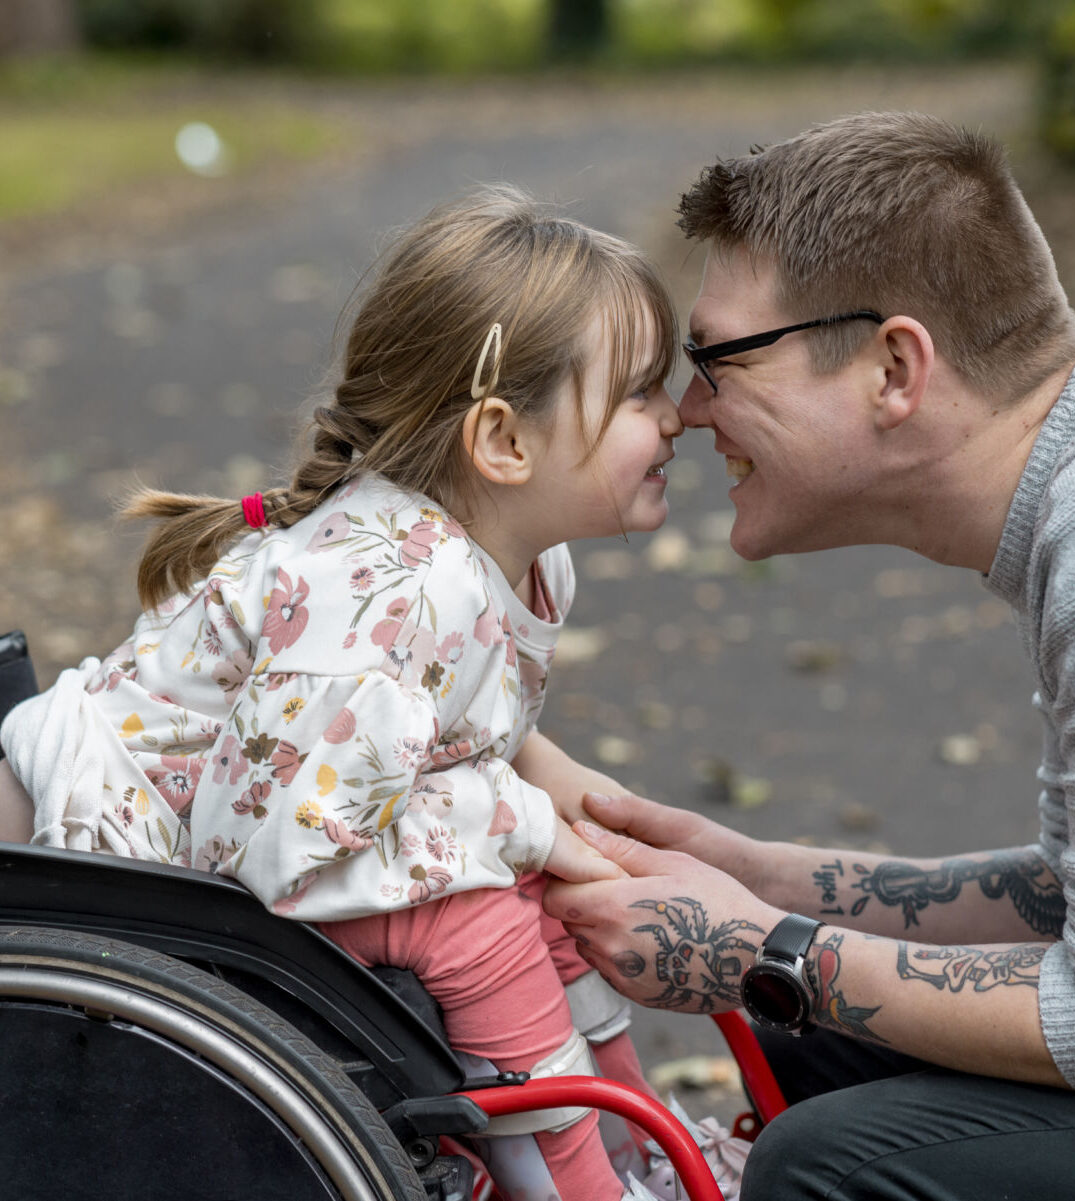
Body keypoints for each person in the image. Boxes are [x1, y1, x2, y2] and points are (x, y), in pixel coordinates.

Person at [0, 187, 747, 1201]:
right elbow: (272, 851)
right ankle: (579, 1182)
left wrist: (556, 797)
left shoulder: (527, 560)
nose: (677, 417)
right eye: (636, 395)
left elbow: (446, 728)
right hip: (124, 851)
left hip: (266, 821)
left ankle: (632, 1148)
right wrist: (514, 819)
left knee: (555, 883)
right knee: (481, 910)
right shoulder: (393, 595)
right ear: (503, 444)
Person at [544, 111, 1075, 1200]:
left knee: (821, 1162)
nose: (691, 411)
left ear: (894, 366)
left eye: (718, 360)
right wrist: (755, 877)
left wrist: (762, 946)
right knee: (805, 1035)